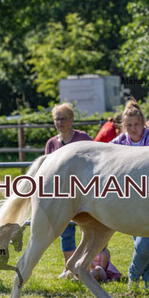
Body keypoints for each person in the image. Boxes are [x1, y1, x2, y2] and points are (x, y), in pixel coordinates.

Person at [110, 99, 149, 288]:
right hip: (129, 201)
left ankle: (132, 276)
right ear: (124, 126)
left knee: (144, 245)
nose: (133, 129)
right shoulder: (120, 141)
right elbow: (105, 155)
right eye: (129, 125)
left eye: (137, 124)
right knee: (142, 245)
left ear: (143, 124)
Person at [46, 103, 93, 278]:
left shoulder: (83, 139)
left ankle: (86, 265)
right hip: (63, 194)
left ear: (72, 120)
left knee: (89, 230)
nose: (60, 122)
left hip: (84, 193)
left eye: (64, 119)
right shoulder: (51, 143)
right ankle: (68, 268)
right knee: (65, 232)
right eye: (57, 119)